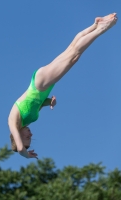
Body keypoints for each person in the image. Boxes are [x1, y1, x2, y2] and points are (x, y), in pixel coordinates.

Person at [8, 13, 117, 159]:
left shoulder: (13, 122)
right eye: (30, 137)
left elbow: (20, 149)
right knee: (72, 54)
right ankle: (96, 24)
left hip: (39, 84)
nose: (31, 134)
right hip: (44, 85)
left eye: (27, 137)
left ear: (18, 138)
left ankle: (101, 28)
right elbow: (37, 104)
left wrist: (26, 155)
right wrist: (50, 102)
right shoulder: (26, 120)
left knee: (73, 55)